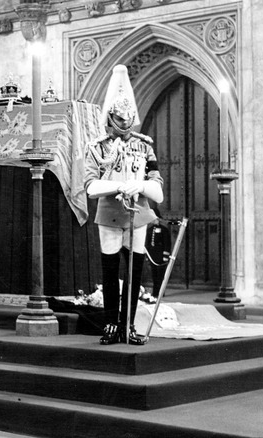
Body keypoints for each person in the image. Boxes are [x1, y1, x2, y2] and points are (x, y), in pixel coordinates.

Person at [84, 64, 164, 345]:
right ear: (112, 117)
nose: (126, 123)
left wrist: (140, 185)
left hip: (138, 213)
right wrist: (119, 185)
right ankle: (110, 323)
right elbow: (91, 187)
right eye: (121, 118)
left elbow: (158, 189)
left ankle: (128, 324)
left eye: (129, 118)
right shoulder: (97, 146)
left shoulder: (145, 146)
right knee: (109, 272)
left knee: (134, 270)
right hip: (109, 211)